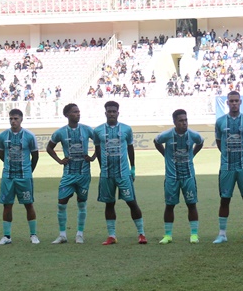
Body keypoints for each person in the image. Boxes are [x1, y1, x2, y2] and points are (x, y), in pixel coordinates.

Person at [91, 101, 146, 245]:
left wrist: (132, 168)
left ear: (118, 113)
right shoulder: (98, 131)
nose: (111, 114)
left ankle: (141, 234)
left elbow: (130, 148)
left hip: (123, 173)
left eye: (114, 111)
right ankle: (112, 235)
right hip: (107, 174)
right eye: (109, 111)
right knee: (109, 204)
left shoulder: (126, 129)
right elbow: (97, 149)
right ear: (105, 113)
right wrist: (101, 167)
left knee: (132, 202)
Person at [214, 90, 243, 243]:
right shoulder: (220, 122)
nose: (234, 103)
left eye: (236, 101)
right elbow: (220, 143)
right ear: (227, 102)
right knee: (224, 200)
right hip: (226, 167)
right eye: (231, 101)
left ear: (240, 102)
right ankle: (222, 234)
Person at [46, 103, 95, 244]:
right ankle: (62, 235)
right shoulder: (60, 132)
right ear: (66, 115)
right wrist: (59, 160)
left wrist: (93, 157)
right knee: (62, 203)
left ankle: (80, 234)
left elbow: (99, 143)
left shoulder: (86, 130)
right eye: (74, 112)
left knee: (82, 203)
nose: (78, 114)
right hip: (68, 174)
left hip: (84, 174)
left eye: (78, 111)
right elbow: (49, 147)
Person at [154, 109, 204, 244]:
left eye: (186, 120)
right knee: (169, 205)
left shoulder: (193, 135)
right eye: (181, 120)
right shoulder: (167, 135)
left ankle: (194, 234)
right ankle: (168, 235)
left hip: (188, 176)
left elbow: (200, 142)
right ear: (174, 122)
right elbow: (156, 141)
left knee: (191, 204)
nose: (184, 123)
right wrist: (165, 154)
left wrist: (192, 154)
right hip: (172, 176)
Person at [0, 109, 40, 245]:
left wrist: (28, 171)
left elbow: (35, 156)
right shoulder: (3, 136)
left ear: (21, 119)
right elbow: (1, 154)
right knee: (7, 205)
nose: (13, 121)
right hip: (8, 176)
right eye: (11, 119)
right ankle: (7, 236)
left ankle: (33, 235)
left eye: (15, 118)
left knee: (28, 204)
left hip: (24, 176)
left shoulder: (29, 136)